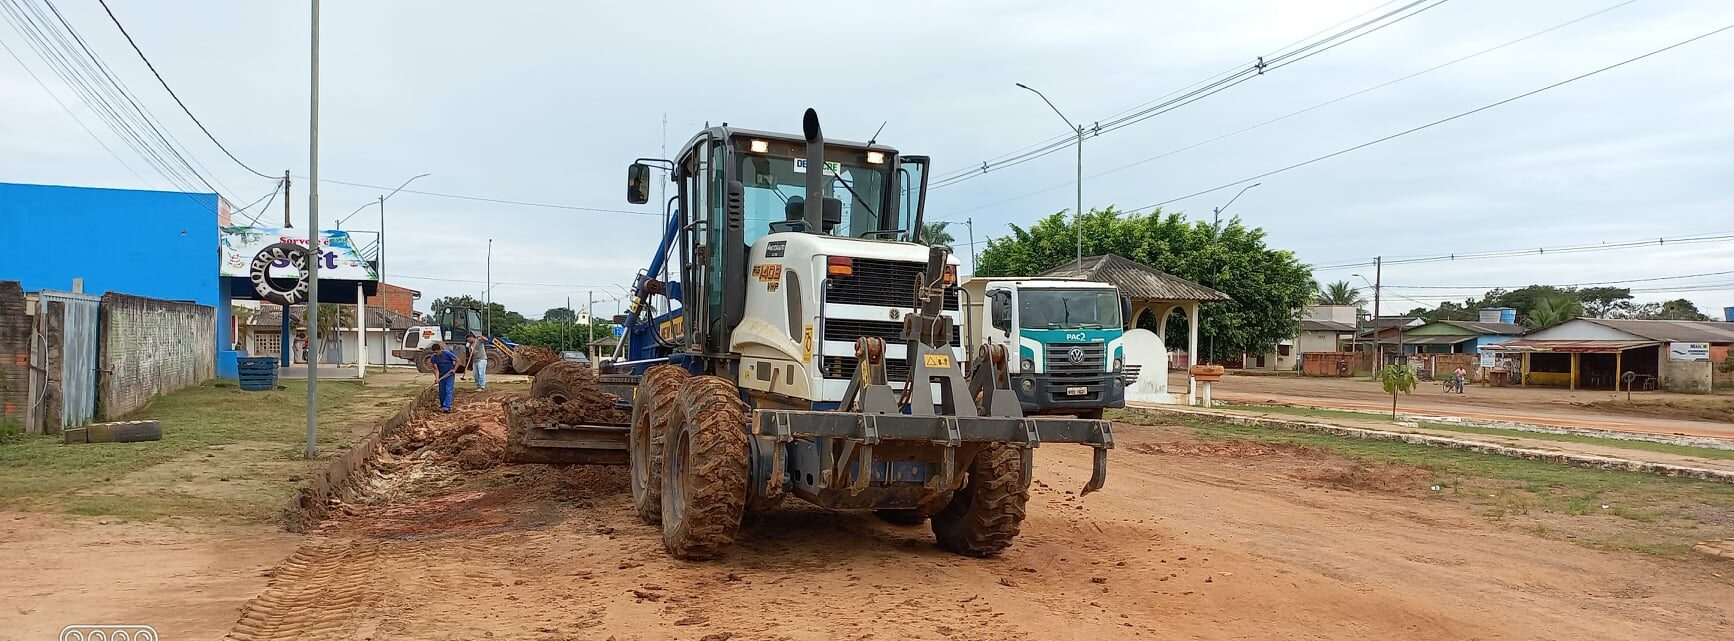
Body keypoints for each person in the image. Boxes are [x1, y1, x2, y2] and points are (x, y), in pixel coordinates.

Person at [429, 341, 459, 413]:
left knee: (448, 389)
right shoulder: (433, 358)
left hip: (450, 374)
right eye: (434, 352)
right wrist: (437, 378)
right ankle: (443, 405)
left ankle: (447, 406)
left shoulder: (447, 354)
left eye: (436, 352)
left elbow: (458, 360)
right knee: (442, 391)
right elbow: (436, 369)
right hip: (441, 375)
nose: (435, 354)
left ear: (440, 350)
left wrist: (454, 370)